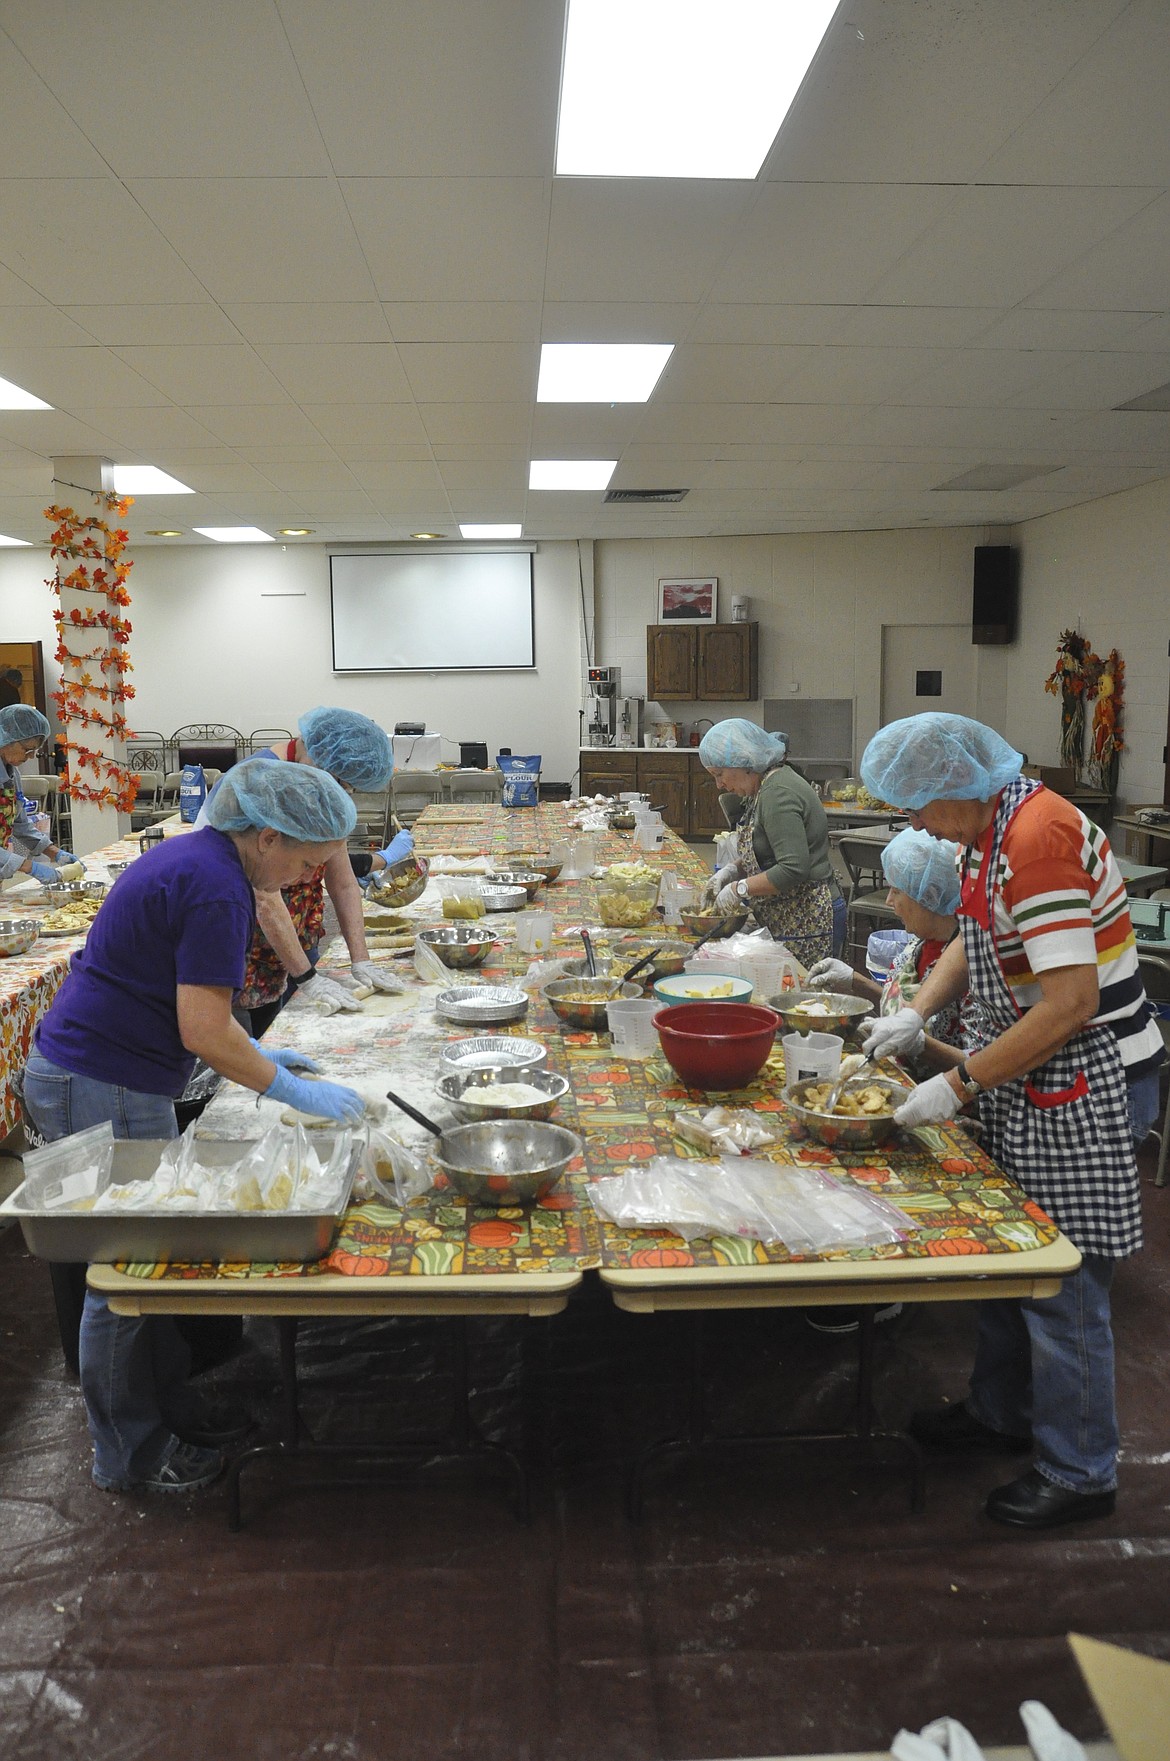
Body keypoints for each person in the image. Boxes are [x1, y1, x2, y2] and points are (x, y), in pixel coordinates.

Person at [21, 757, 368, 1495]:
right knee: (124, 1274)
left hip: (97, 1059)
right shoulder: (218, 887)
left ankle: (161, 1405)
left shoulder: (198, 855)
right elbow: (205, 1028)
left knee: (141, 1264)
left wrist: (263, 1050)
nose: (308, 876)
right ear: (268, 836)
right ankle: (130, 1455)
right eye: (305, 860)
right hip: (104, 1075)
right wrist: (289, 1089)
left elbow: (164, 988)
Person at [859, 712, 1163, 1530]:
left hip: (1086, 1079)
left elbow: (1070, 1003)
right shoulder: (988, 833)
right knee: (1007, 1258)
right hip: (1031, 1071)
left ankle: (1081, 1469)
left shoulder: (1039, 839)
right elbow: (973, 937)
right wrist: (915, 1013)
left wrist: (957, 1084)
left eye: (918, 806)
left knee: (1063, 1283)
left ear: (956, 785)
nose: (915, 823)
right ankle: (999, 1412)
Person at [197, 708, 405, 1034]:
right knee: (243, 1046)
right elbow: (262, 895)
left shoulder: (316, 782)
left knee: (290, 1033)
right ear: (314, 751)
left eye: (347, 788)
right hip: (240, 945)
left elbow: (344, 882)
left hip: (293, 939)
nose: (339, 791)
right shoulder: (249, 787)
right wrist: (307, 977)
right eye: (338, 781)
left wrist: (360, 958)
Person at [807, 826, 974, 1068]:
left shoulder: (968, 965)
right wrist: (854, 981)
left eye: (896, 891)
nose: (888, 901)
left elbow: (984, 1067)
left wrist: (920, 1045)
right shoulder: (918, 944)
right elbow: (901, 1013)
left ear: (931, 894)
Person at [698, 719, 843, 968]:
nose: (719, 785)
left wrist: (739, 889)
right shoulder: (763, 787)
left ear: (743, 761)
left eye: (719, 774)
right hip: (790, 912)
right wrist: (732, 870)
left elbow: (792, 868)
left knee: (803, 998)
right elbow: (768, 848)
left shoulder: (778, 792)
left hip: (808, 915)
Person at [0, 703, 83, 884]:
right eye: (28, 749)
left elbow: (20, 824)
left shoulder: (12, 774)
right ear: (6, 739)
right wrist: (29, 866)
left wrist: (54, 852)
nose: (30, 756)